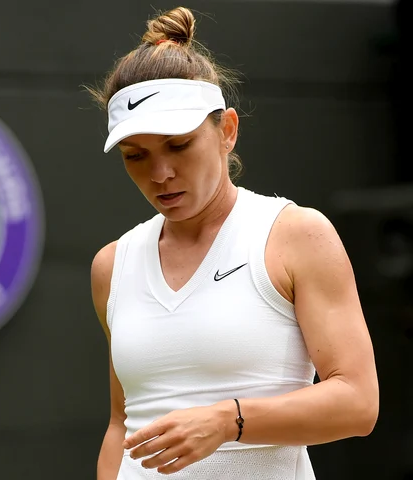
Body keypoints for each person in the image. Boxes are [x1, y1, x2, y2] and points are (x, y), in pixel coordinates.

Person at [87, 6, 379, 479]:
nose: (160, 174)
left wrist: (230, 420)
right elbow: (122, 425)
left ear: (227, 131)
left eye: (179, 145)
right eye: (135, 156)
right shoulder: (112, 266)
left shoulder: (296, 234)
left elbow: (359, 402)